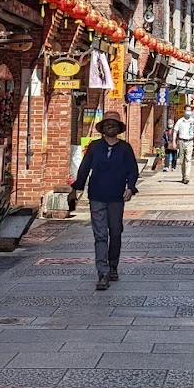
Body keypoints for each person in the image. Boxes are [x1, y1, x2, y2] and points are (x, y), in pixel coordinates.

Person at [70, 111, 138, 291]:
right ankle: (103, 272)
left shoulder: (125, 148)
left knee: (115, 232)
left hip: (116, 196)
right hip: (97, 195)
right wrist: (77, 186)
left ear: (118, 129)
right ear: (102, 128)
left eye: (113, 125)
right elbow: (84, 168)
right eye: (107, 125)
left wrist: (130, 187)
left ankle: (113, 264)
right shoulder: (95, 147)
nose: (110, 128)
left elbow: (132, 170)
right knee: (100, 235)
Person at [173, 108, 194, 183]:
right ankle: (183, 176)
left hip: (190, 141)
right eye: (187, 110)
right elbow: (175, 131)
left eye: (190, 110)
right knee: (182, 160)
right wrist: (174, 141)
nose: (188, 112)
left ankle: (187, 177)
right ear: (184, 111)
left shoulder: (193, 121)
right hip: (181, 141)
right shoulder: (180, 121)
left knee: (188, 159)